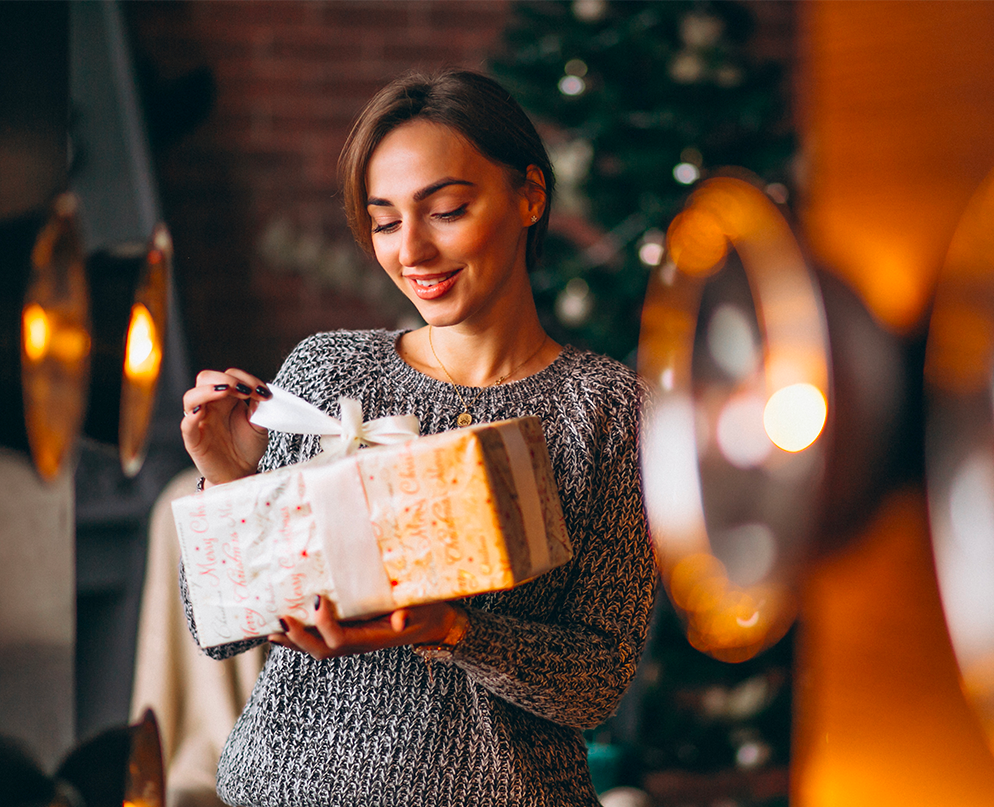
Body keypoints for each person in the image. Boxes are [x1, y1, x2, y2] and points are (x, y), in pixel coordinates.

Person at [178, 68, 655, 807]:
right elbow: (221, 631)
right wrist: (227, 478)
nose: (413, 252)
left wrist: (458, 629)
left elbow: (595, 682)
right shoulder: (326, 371)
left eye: (448, 209)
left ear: (530, 195)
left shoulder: (603, 407)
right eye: (385, 220)